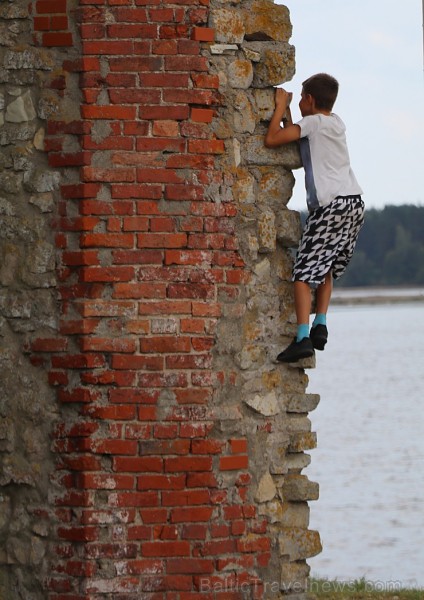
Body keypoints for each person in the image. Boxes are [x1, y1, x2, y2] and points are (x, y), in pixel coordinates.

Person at [264, 73, 365, 363]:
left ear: (308, 99)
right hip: (354, 204)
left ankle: (302, 337)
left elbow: (273, 139)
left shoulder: (311, 123)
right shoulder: (335, 123)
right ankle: (321, 324)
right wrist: (291, 115)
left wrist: (281, 106)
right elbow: (303, 141)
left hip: (330, 207)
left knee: (302, 274)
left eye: (302, 95)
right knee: (326, 265)